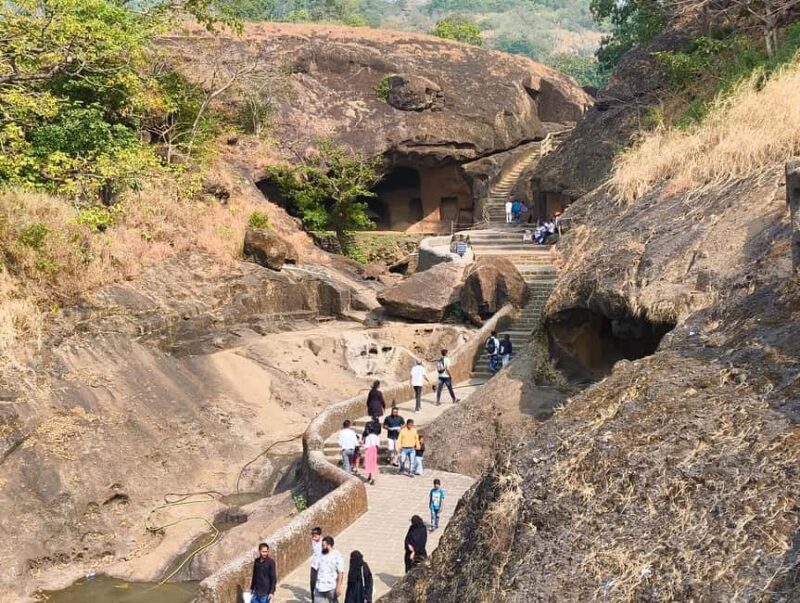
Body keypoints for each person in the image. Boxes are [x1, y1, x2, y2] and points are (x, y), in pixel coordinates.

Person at [315, 536, 345, 603]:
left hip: (331, 588)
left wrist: (339, 587)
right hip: (319, 586)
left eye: (323, 545)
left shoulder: (337, 555)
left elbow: (341, 572)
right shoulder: (321, 553)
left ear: (329, 545)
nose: (322, 547)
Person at [311, 527, 323, 602]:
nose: (313, 538)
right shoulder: (313, 541)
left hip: (321, 567)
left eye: (315, 537)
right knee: (312, 583)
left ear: (320, 535)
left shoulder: (324, 542)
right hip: (314, 565)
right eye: (313, 536)